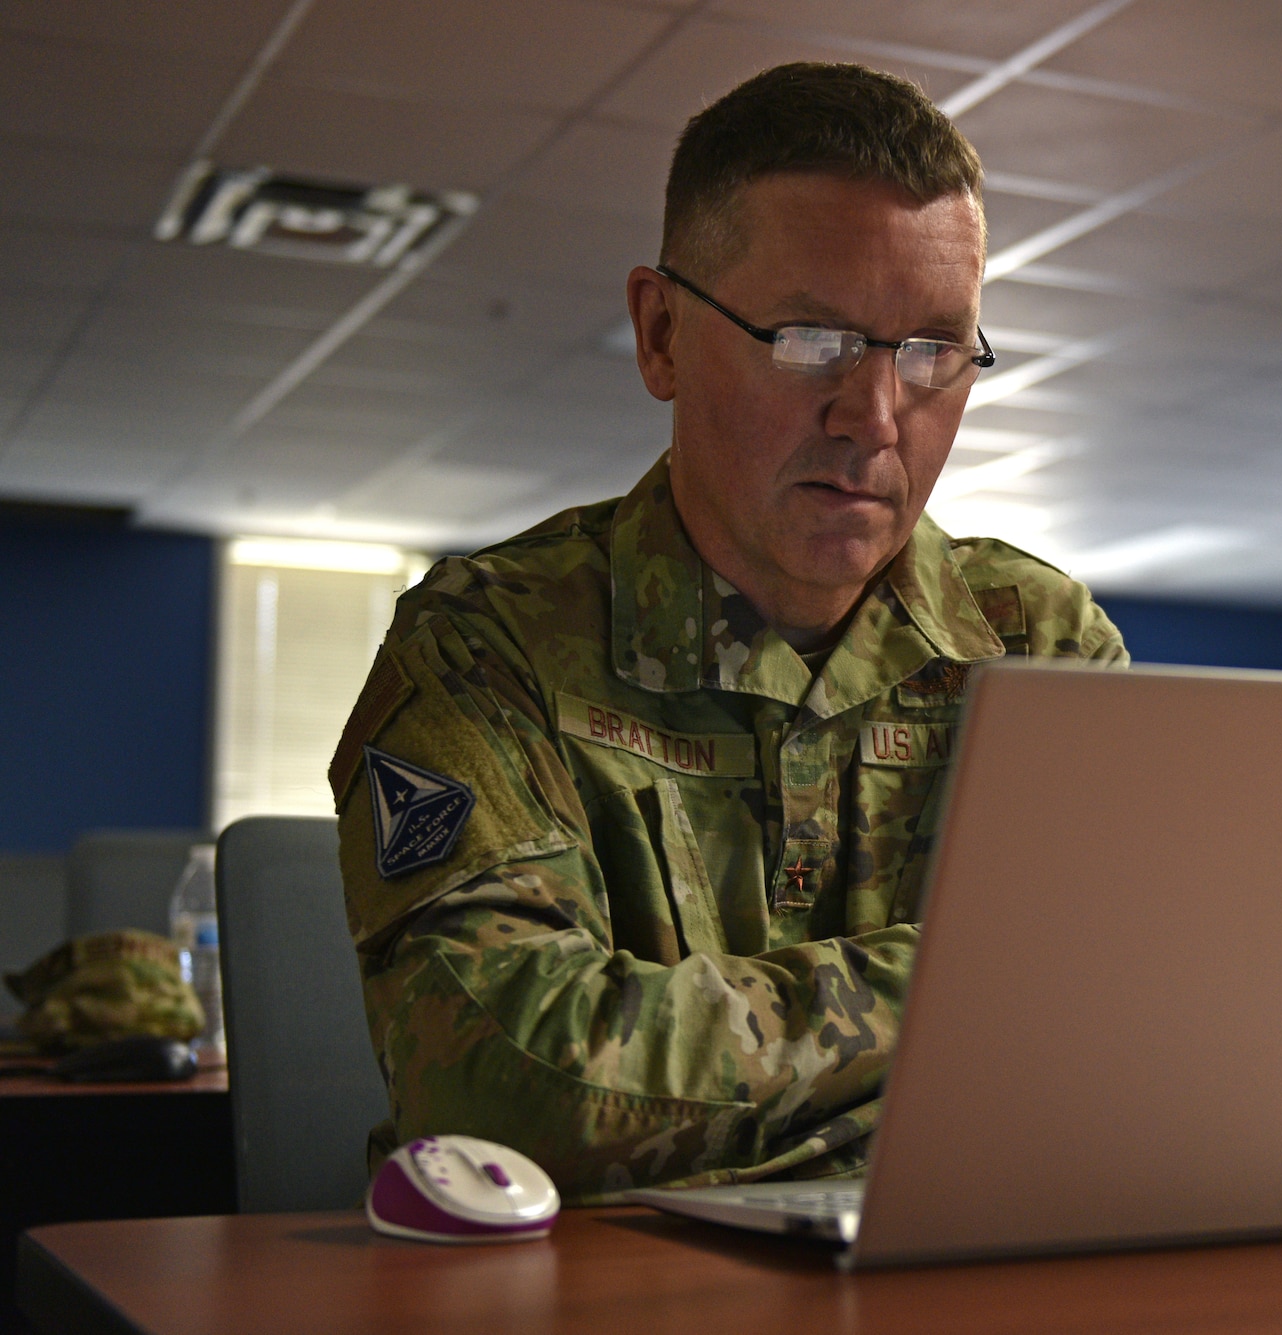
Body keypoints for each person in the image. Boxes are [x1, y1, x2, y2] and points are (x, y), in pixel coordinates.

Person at [330, 62, 1127, 1201]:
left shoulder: (1042, 646)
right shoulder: (483, 646)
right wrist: (978, 1000)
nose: (876, 416)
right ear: (661, 335)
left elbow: (1137, 1040)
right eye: (813, 338)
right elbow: (505, 1085)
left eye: (932, 351)